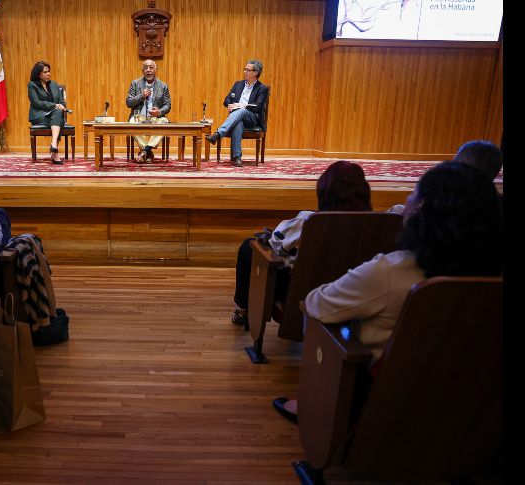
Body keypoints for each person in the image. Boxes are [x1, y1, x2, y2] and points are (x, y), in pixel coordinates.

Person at [272, 160, 503, 423]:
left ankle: (312, 406)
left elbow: (315, 304)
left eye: (415, 191)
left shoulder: (390, 271)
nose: (408, 197)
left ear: (423, 209)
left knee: (329, 326)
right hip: (472, 408)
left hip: (384, 404)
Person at [232, 161, 372, 330]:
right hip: (354, 298)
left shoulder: (310, 221)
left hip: (303, 297)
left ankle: (242, 309)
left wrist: (272, 237)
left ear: (323, 191)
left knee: (250, 247)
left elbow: (276, 245)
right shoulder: (377, 225)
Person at [206, 59, 270, 167]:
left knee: (242, 111)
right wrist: (231, 104)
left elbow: (258, 107)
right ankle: (237, 157)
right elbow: (226, 101)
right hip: (237, 116)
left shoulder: (262, 88)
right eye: (244, 69)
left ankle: (218, 133)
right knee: (238, 123)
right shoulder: (238, 84)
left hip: (252, 117)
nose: (244, 71)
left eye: (247, 70)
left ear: (255, 73)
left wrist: (240, 106)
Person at [125, 59, 172, 163]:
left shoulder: (163, 86)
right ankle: (148, 152)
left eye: (151, 67)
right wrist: (142, 96)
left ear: (156, 69)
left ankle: (145, 151)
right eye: (146, 67)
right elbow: (128, 102)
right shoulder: (135, 83)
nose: (148, 70)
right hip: (139, 117)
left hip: (155, 117)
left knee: (164, 122)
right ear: (142, 70)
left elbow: (168, 105)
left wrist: (159, 112)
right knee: (132, 123)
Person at [28, 60, 68, 165]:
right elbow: (36, 103)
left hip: (54, 115)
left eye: (49, 71)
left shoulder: (54, 84)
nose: (48, 74)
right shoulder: (32, 85)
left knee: (58, 114)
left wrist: (61, 105)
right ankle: (54, 151)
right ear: (38, 74)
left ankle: (53, 144)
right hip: (39, 115)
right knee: (58, 117)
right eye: (45, 72)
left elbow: (61, 101)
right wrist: (54, 105)